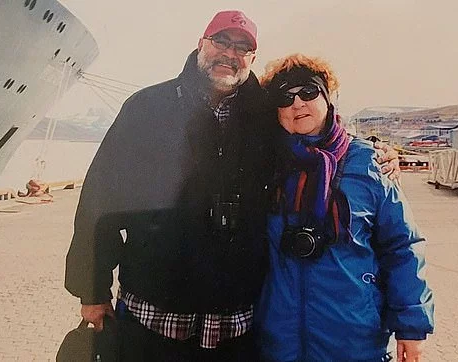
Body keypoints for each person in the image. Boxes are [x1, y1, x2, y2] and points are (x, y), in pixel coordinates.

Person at [65, 10, 400, 361]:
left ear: (252, 58)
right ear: (200, 45)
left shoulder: (266, 117)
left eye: (242, 47)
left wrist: (374, 152)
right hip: (152, 319)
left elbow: (318, 137)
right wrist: (92, 289)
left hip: (236, 326)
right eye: (221, 41)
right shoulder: (147, 108)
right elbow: (100, 200)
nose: (230, 53)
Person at [254, 54, 434, 362]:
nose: (297, 103)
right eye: (285, 97)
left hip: (352, 338)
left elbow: (402, 246)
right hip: (279, 339)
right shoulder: (263, 165)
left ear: (328, 96)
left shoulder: (368, 163)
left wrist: (411, 326)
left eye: (308, 92)